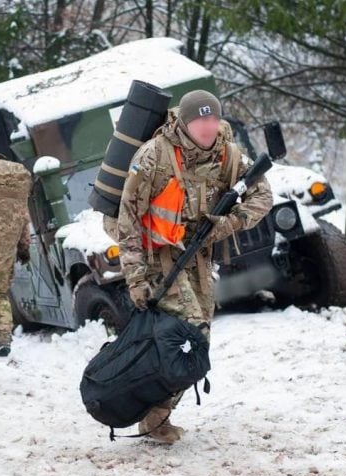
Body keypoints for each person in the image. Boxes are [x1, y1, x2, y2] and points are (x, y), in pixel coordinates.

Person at [117, 89, 273, 442]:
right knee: (191, 335)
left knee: (196, 343)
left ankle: (155, 415)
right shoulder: (154, 155)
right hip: (159, 259)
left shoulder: (228, 154)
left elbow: (263, 195)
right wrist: (135, 278)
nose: (208, 126)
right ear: (184, 122)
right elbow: (128, 220)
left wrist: (229, 223)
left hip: (199, 260)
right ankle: (151, 417)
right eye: (200, 119)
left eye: (213, 118)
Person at [0, 225, 31, 357]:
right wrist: (24, 250)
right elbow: (22, 223)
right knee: (1, 295)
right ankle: (4, 339)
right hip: (6, 251)